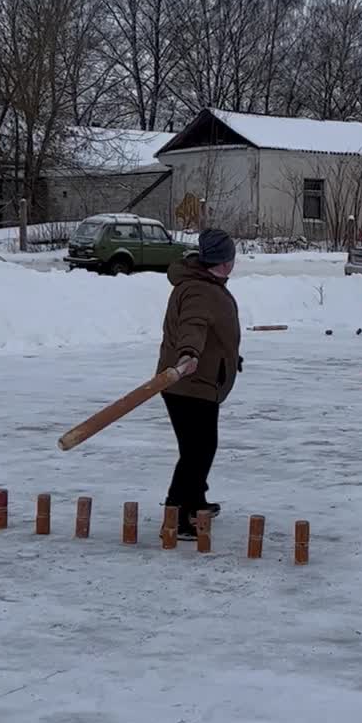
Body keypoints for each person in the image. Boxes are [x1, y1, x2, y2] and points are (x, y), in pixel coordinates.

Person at [156, 228, 242, 538]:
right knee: (197, 451)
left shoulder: (205, 283)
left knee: (199, 448)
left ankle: (195, 501)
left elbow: (211, 330)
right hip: (189, 382)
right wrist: (189, 354)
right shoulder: (200, 290)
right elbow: (193, 324)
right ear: (224, 260)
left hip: (197, 380)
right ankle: (177, 515)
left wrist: (227, 357)